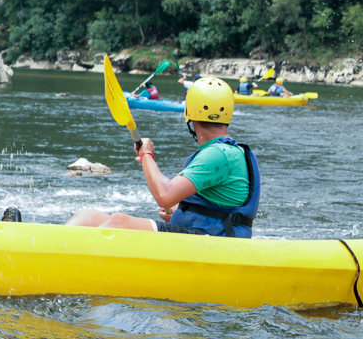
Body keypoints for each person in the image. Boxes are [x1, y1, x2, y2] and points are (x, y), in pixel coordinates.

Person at [64, 77, 260, 237]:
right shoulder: (230, 152)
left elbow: (164, 195)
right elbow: (212, 206)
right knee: (86, 217)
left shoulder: (218, 154)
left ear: (188, 113)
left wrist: (147, 154)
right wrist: (179, 212)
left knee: (118, 222)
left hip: (215, 243)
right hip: (205, 232)